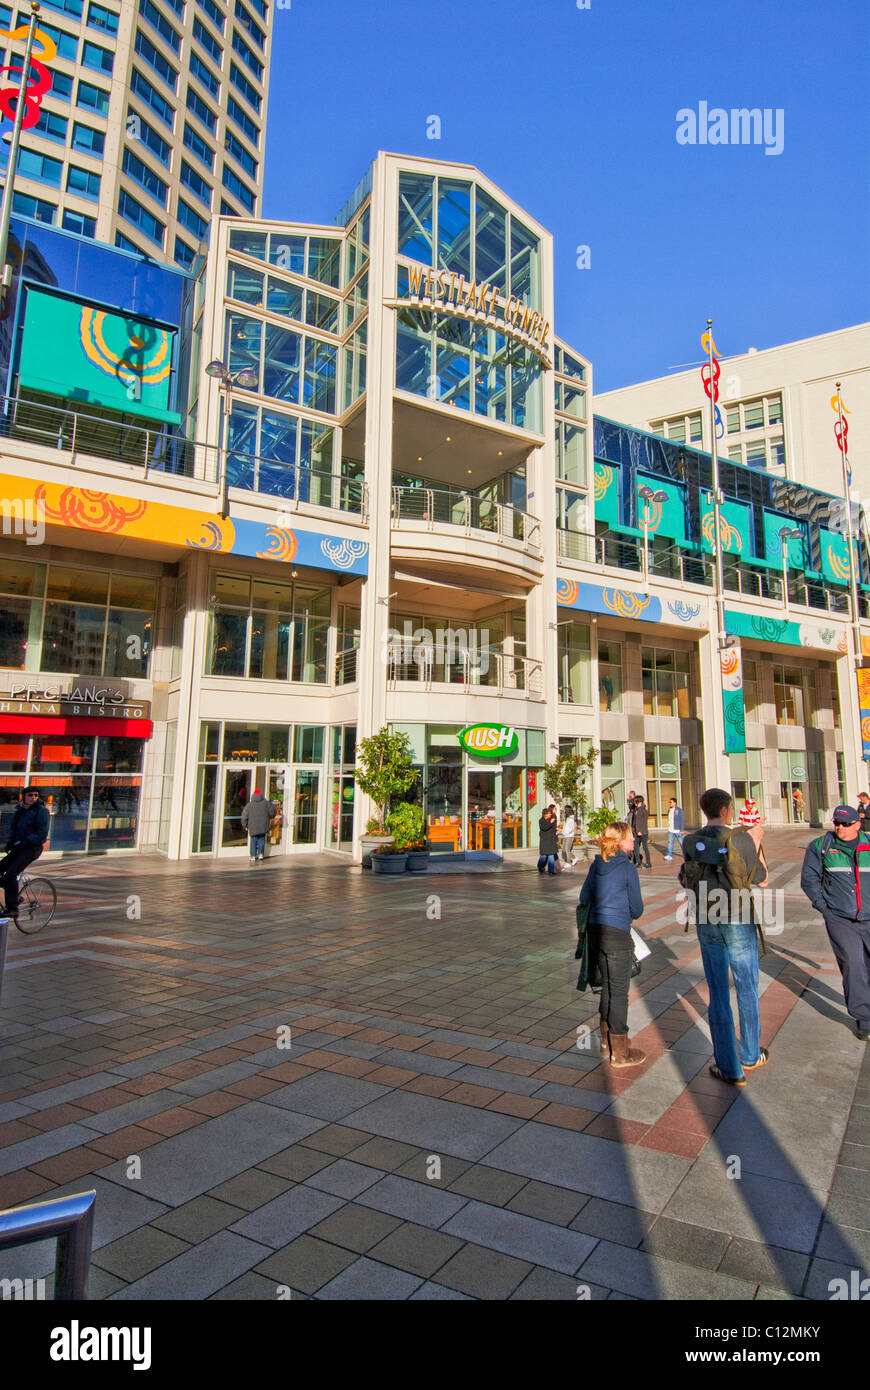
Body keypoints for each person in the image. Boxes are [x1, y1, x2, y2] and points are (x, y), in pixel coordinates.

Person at [681, 788, 769, 1086]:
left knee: (717, 990)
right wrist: (756, 843)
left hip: (707, 918)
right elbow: (761, 879)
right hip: (738, 917)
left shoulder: (690, 841)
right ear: (728, 809)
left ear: (704, 810)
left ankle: (729, 1066)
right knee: (746, 985)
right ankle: (750, 1053)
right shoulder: (741, 838)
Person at [800, 805, 870, 1042]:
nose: (839, 827)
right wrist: (825, 909)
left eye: (845, 824)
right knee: (853, 963)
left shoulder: (868, 845)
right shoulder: (821, 846)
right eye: (836, 823)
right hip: (840, 918)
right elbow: (809, 880)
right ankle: (864, 1019)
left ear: (858, 825)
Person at [578, 820, 646, 1066]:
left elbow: (584, 897)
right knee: (619, 993)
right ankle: (620, 1052)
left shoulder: (597, 865)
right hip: (617, 934)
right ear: (620, 841)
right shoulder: (627, 868)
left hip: (596, 933)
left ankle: (606, 1043)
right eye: (630, 837)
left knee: (606, 988)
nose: (633, 841)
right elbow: (637, 908)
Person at [0, 786, 50, 919]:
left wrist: (26, 840)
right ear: (24, 797)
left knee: (10, 875)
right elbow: (14, 830)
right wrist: (10, 843)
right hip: (19, 847)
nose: (33, 798)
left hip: (32, 848)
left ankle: (12, 909)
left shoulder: (41, 811)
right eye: (30, 795)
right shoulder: (20, 811)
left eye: (35, 795)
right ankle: (14, 896)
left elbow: (42, 833)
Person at [241, 788, 277, 863]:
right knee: (262, 839)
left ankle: (253, 856)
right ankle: (261, 854)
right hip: (263, 825)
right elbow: (273, 811)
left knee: (253, 840)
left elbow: (244, 816)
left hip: (252, 826)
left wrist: (245, 825)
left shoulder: (249, 805)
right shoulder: (266, 803)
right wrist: (271, 817)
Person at [537, 805, 558, 875]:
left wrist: (556, 831)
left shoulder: (551, 819)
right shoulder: (541, 820)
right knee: (544, 856)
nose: (550, 814)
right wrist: (550, 823)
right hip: (545, 841)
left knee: (551, 855)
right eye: (549, 813)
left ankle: (551, 871)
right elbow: (544, 827)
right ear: (545, 814)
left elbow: (553, 829)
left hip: (551, 841)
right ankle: (540, 866)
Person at [632, 794, 651, 869]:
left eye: (635, 801)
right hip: (636, 832)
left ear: (638, 802)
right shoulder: (636, 810)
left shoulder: (644, 810)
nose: (634, 803)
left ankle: (648, 863)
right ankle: (638, 862)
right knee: (636, 847)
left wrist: (641, 831)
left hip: (643, 833)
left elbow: (644, 822)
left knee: (645, 847)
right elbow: (635, 822)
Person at [664, 797, 684, 861]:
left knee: (682, 843)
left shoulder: (679, 810)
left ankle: (687, 855)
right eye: (669, 802)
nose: (669, 803)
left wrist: (682, 830)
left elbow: (681, 820)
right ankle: (669, 855)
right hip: (671, 830)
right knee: (670, 843)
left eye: (671, 802)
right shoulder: (669, 810)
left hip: (677, 830)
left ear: (675, 803)